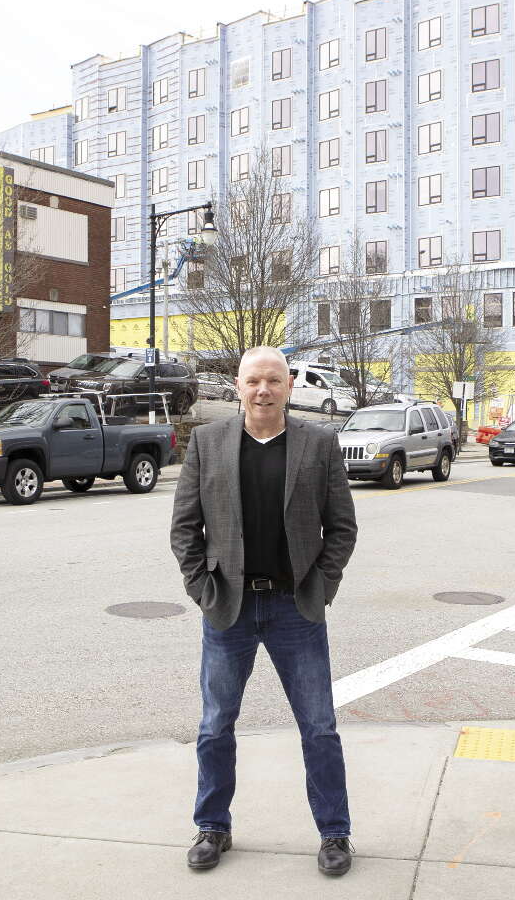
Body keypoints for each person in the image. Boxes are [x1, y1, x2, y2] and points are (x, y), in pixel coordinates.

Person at [170, 346, 359, 876]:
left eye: (274, 380)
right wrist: (201, 589)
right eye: (254, 381)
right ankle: (213, 826)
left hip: (294, 605)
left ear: (290, 386)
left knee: (319, 726)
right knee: (214, 726)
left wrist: (322, 586)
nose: (263, 390)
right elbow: (185, 527)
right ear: (238, 385)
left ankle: (335, 834)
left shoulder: (319, 443)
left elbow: (341, 527)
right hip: (228, 605)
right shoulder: (208, 442)